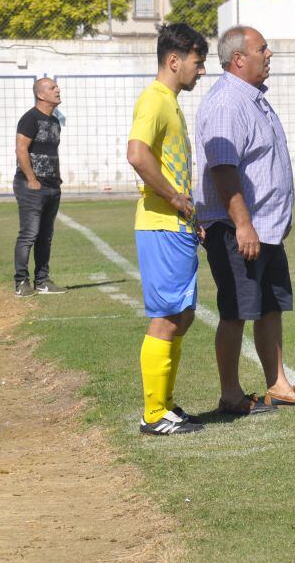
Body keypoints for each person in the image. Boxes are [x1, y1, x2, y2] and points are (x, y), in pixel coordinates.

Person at [195, 25, 295, 416]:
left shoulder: (253, 99)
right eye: (262, 49)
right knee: (236, 311)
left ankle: (277, 384)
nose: (269, 55)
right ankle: (231, 394)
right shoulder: (227, 103)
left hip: (265, 229)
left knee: (270, 306)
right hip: (238, 231)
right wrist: (244, 224)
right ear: (239, 59)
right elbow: (223, 168)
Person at [126, 23, 209, 436]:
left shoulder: (170, 102)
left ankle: (166, 406)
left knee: (183, 314)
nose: (202, 70)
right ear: (173, 61)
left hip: (175, 226)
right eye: (198, 62)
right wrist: (176, 200)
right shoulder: (155, 101)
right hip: (160, 225)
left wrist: (190, 215)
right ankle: (155, 413)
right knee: (168, 317)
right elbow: (137, 155)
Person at [13, 77, 66, 297]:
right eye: (53, 88)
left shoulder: (55, 121)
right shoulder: (30, 118)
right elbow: (21, 149)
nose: (58, 90)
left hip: (53, 187)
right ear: (41, 95)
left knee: (45, 236)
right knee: (29, 234)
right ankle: (21, 282)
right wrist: (32, 179)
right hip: (31, 186)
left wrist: (56, 181)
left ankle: (42, 281)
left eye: (57, 87)